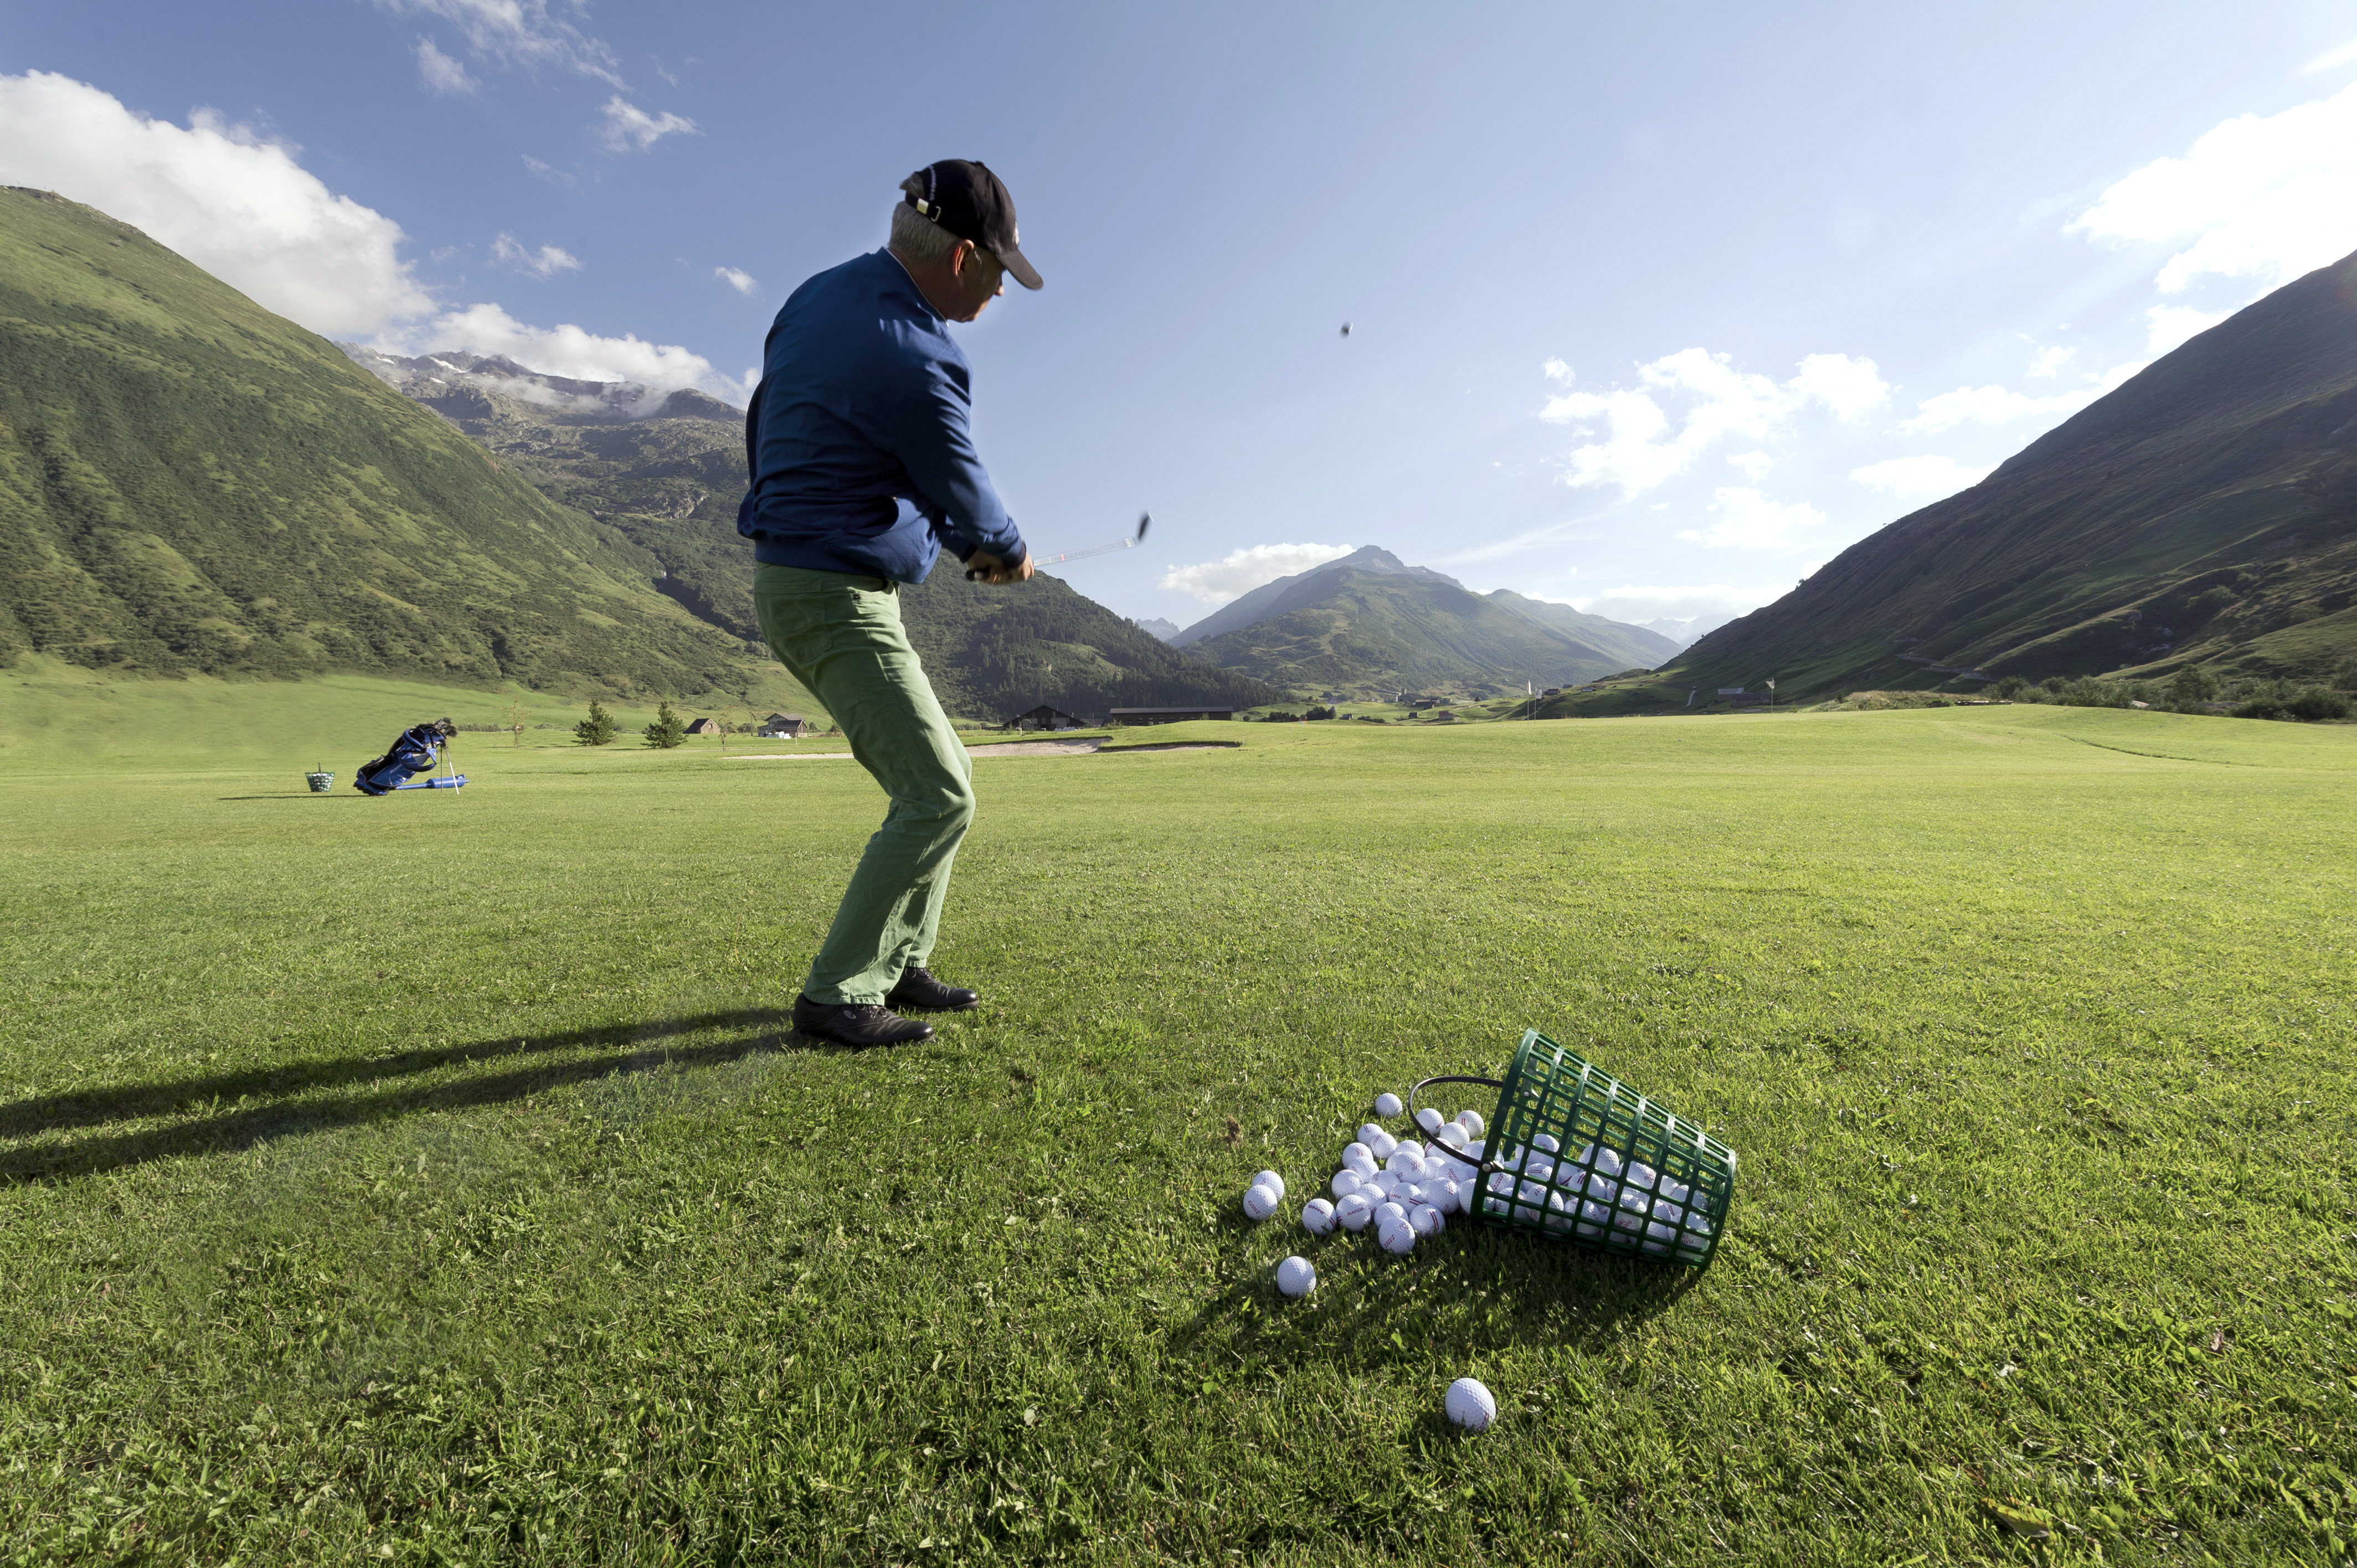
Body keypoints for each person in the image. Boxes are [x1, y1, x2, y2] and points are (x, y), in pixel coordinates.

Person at [735, 159, 1043, 1048]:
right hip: (832, 593)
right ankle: (836, 996)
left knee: (945, 779)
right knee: (939, 792)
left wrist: (954, 541)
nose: (1000, 292)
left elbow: (836, 437)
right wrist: (1005, 551)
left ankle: (898, 961)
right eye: (1001, 273)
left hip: (805, 575)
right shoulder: (917, 349)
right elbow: (960, 481)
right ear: (963, 262)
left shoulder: (820, 298)